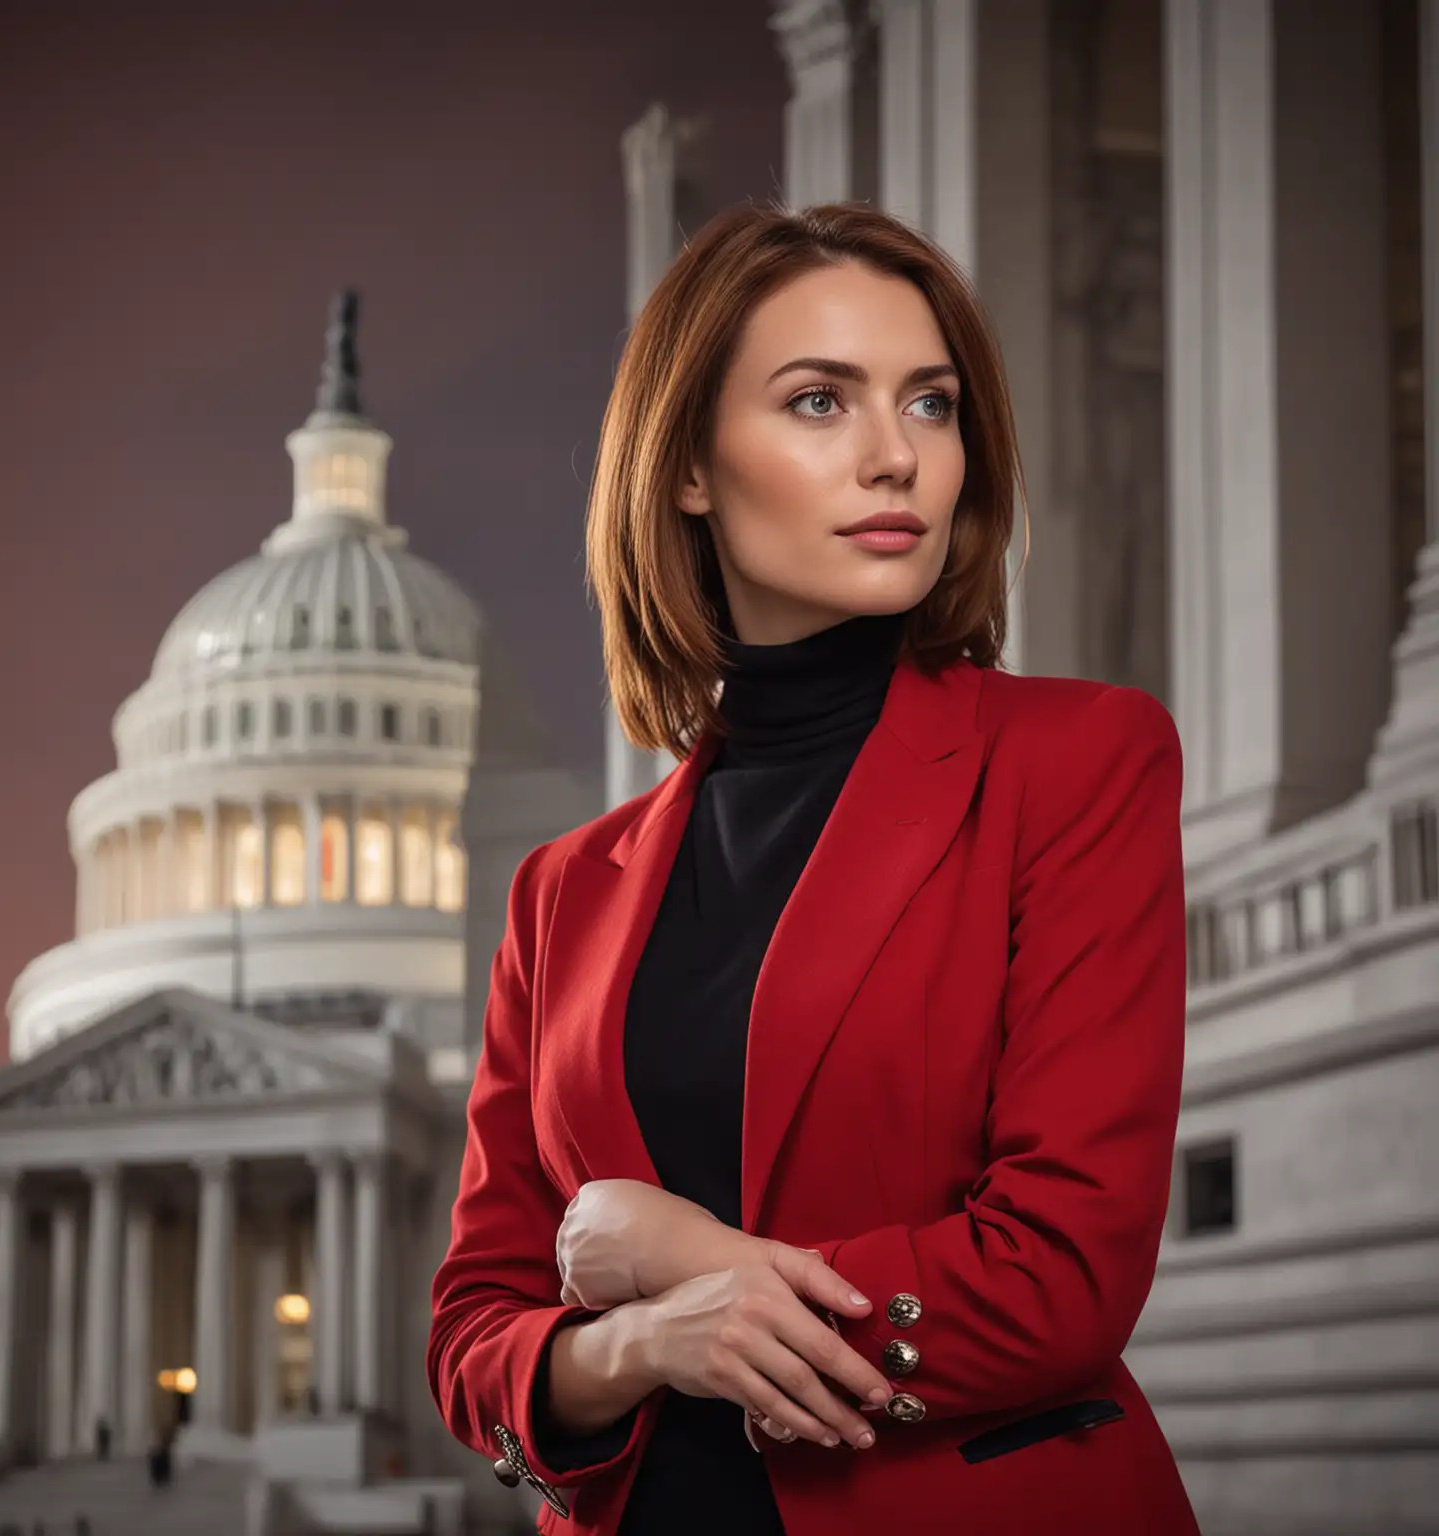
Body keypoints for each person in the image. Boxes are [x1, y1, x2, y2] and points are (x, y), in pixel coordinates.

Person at [426, 201, 1200, 1536]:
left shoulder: (1079, 762)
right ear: (688, 467)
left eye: (932, 404)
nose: (897, 456)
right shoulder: (561, 892)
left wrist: (680, 1259)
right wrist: (643, 1347)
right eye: (818, 403)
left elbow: (1063, 1277)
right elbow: (474, 1334)